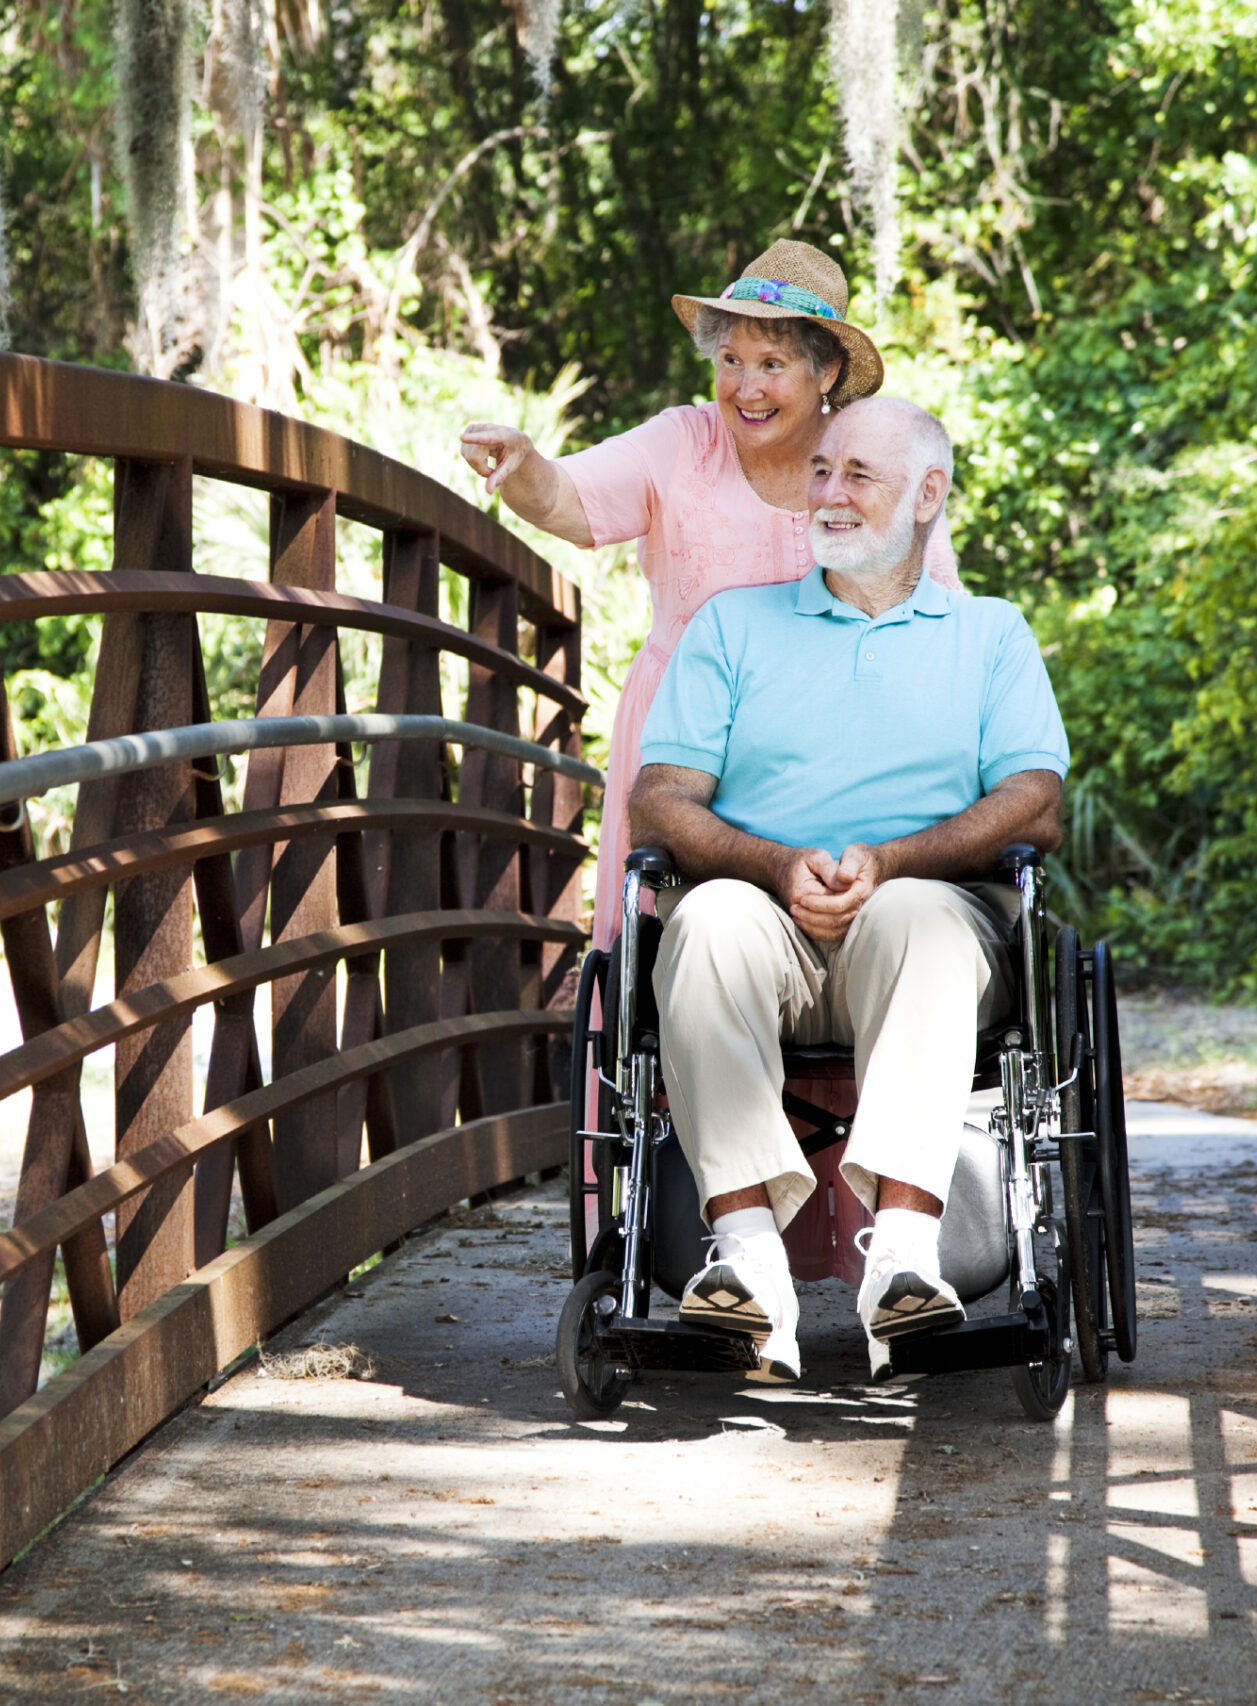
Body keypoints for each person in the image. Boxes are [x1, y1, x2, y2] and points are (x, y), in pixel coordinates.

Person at [627, 396, 1068, 1382]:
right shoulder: (732, 626)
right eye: (819, 470)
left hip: (929, 918)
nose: (826, 491)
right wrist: (775, 865)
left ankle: (903, 1262)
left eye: (856, 474)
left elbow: (1036, 803)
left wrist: (893, 860)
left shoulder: (989, 634)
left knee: (912, 912)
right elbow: (659, 803)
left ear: (928, 494)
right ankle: (746, 1266)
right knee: (701, 919)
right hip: (764, 917)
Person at [457, 238, 961, 949]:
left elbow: (937, 616)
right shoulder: (683, 441)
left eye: (772, 365)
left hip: (839, 752)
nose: (745, 388)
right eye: (731, 361)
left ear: (828, 372)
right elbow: (570, 500)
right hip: (684, 751)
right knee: (679, 961)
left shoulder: (873, 457)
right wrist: (524, 465)